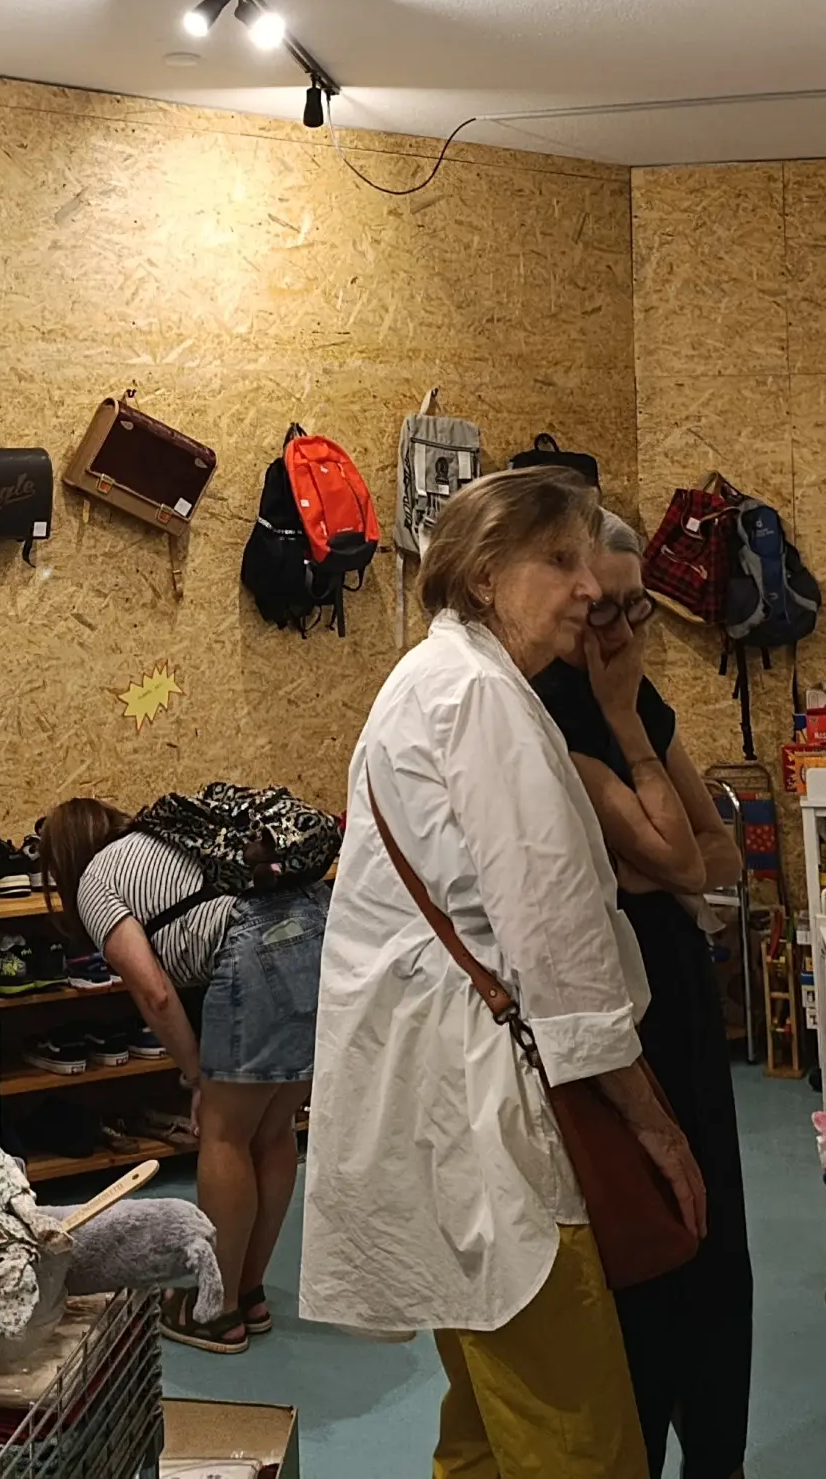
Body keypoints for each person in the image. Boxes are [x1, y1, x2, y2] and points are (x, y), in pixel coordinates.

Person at [303, 465, 706, 1478]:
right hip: (493, 1113)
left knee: (489, 1420)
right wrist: (653, 1123)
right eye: (560, 561)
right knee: (576, 1437)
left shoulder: (438, 678)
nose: (589, 587)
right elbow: (556, 939)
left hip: (450, 1096)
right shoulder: (480, 695)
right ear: (485, 575)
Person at [537, 511, 751, 1479]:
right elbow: (683, 856)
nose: (622, 632)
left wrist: (648, 865)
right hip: (612, 1013)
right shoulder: (548, 713)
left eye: (637, 610)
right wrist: (626, 733)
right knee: (646, 1241)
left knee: (716, 1245)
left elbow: (716, 856)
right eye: (604, 612)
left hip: (683, 1001)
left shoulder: (638, 698)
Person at [37, 795, 329, 1354]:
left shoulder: (97, 880)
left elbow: (155, 994)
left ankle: (214, 1310)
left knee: (224, 1135)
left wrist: (196, 1077)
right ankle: (247, 1292)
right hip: (318, 928)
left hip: (252, 949)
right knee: (274, 1130)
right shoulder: (161, 843)